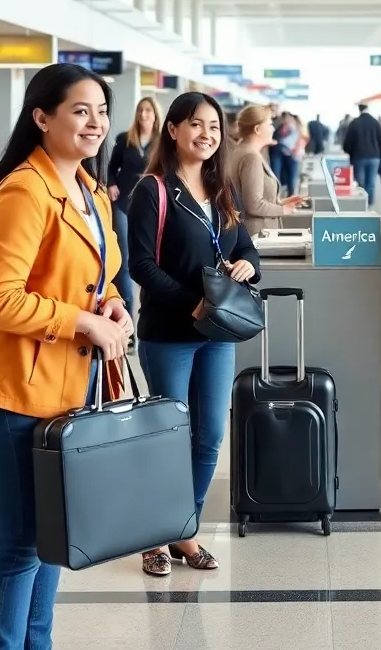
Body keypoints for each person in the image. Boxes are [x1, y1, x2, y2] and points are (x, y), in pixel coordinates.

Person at [0, 63, 133, 650]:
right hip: (18, 389)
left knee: (52, 539)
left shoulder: (90, 191)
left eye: (102, 112)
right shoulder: (24, 191)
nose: (95, 123)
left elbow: (97, 277)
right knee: (20, 543)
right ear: (42, 117)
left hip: (72, 389)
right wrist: (82, 321)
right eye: (80, 111)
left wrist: (114, 306)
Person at [127, 92, 260, 575]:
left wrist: (249, 265)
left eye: (214, 127)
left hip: (218, 331)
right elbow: (140, 265)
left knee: (209, 436)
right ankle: (154, 537)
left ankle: (183, 528)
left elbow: (244, 245)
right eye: (197, 124)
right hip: (170, 332)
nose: (207, 134)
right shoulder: (153, 191)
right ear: (174, 130)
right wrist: (192, 301)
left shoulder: (222, 187)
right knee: (168, 436)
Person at [107, 96, 160, 334]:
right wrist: (111, 184)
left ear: (155, 115)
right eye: (140, 110)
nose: (143, 114)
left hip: (150, 206)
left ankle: (152, 313)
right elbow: (111, 167)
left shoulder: (163, 142)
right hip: (123, 203)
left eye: (148, 110)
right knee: (124, 257)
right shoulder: (125, 139)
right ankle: (126, 321)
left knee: (149, 257)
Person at [232, 104, 306, 236]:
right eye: (270, 124)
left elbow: (247, 197)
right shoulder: (251, 157)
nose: (273, 128)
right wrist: (283, 210)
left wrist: (280, 203)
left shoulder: (242, 151)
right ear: (257, 129)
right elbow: (253, 205)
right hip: (257, 234)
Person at [343, 102, 381, 201]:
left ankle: (362, 203)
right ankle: (369, 204)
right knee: (371, 183)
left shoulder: (354, 123)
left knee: (360, 183)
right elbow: (380, 139)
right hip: (374, 157)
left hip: (358, 157)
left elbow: (348, 142)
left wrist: (349, 152)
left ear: (359, 110)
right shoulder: (375, 122)